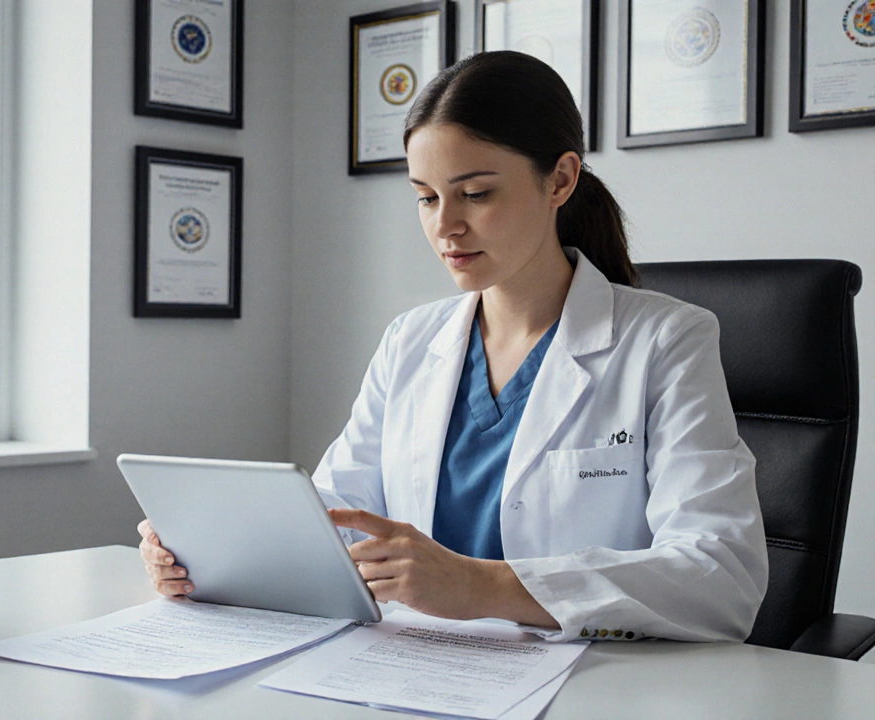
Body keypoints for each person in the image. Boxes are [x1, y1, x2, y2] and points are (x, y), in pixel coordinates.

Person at [138, 51, 768, 643]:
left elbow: (721, 575)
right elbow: (337, 514)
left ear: (560, 180)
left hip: (589, 681)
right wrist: (209, 552)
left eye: (476, 193)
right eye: (426, 197)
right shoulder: (412, 340)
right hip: (420, 666)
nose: (445, 226)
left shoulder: (666, 341)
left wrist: (482, 585)